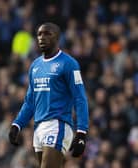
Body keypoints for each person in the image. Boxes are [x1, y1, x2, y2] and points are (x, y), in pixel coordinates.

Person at [9, 22, 89, 168]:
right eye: (39, 34)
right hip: (39, 128)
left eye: (47, 34)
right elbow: (30, 101)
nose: (42, 37)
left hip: (58, 125)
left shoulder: (68, 63)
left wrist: (82, 132)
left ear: (57, 38)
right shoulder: (35, 66)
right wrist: (17, 124)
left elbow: (80, 98)